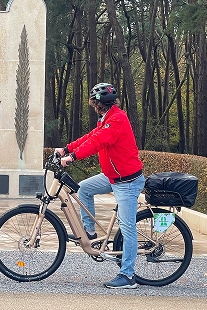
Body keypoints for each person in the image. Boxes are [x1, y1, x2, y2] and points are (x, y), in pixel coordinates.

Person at [55, 82, 144, 289]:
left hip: (127, 181)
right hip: (113, 176)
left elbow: (98, 142)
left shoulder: (117, 119)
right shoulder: (107, 118)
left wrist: (72, 157)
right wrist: (66, 149)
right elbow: (91, 137)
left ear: (98, 104)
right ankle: (90, 233)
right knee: (84, 189)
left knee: (128, 228)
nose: (94, 106)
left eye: (95, 104)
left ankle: (128, 276)